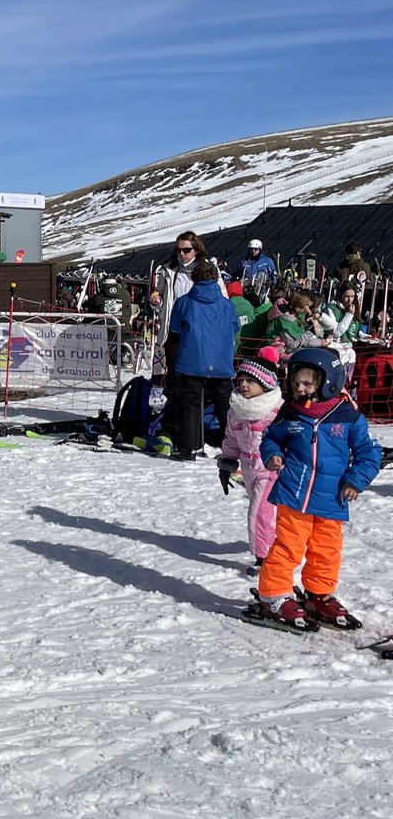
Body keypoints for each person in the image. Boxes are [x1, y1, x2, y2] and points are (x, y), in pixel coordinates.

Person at [253, 348, 381, 627]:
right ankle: (272, 595)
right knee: (288, 546)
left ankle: (318, 594)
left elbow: (369, 452)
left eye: (308, 383)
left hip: (332, 498)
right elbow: (270, 439)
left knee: (326, 549)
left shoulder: (347, 415)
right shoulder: (290, 414)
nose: (300, 388)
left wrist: (356, 479)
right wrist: (272, 454)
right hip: (294, 495)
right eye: (296, 382)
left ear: (328, 383)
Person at [150, 231, 224, 444]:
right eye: (179, 250)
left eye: (186, 250)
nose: (182, 254)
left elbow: (221, 298)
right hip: (175, 332)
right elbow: (161, 300)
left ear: (196, 249)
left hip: (201, 334)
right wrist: (156, 302)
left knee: (200, 384)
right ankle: (174, 429)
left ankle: (200, 429)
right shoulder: (168, 271)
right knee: (175, 382)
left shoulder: (209, 270)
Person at [217, 347, 283, 572]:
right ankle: (276, 546)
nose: (243, 385)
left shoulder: (275, 411)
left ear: (264, 384)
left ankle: (264, 558)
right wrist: (227, 462)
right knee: (267, 513)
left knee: (258, 513)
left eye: (250, 381)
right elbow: (231, 438)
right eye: (241, 379)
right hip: (248, 469)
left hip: (270, 470)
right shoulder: (236, 409)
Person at [167, 259, 237, 459]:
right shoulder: (226, 304)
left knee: (190, 403)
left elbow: (175, 328)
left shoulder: (184, 302)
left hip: (192, 360)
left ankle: (187, 448)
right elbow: (235, 327)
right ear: (216, 278)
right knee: (225, 406)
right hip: (222, 362)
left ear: (193, 278)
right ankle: (231, 448)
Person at [265, 291, 324, 357]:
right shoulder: (285, 320)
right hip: (277, 354)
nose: (308, 311)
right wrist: (311, 331)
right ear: (299, 304)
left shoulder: (292, 315)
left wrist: (320, 342)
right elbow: (292, 345)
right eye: (306, 306)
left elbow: (300, 338)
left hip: (284, 351)